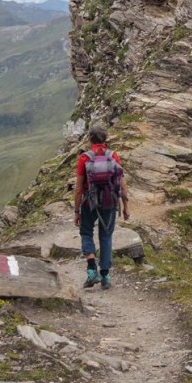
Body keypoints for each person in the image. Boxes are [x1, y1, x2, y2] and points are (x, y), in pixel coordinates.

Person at [73, 123, 129, 289]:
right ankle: (105, 276)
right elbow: (122, 184)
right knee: (106, 236)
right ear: (106, 139)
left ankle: (91, 270)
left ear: (90, 138)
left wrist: (77, 211)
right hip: (110, 201)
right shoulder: (113, 156)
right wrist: (126, 206)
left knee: (86, 232)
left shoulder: (84, 158)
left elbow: (78, 188)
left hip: (89, 202)